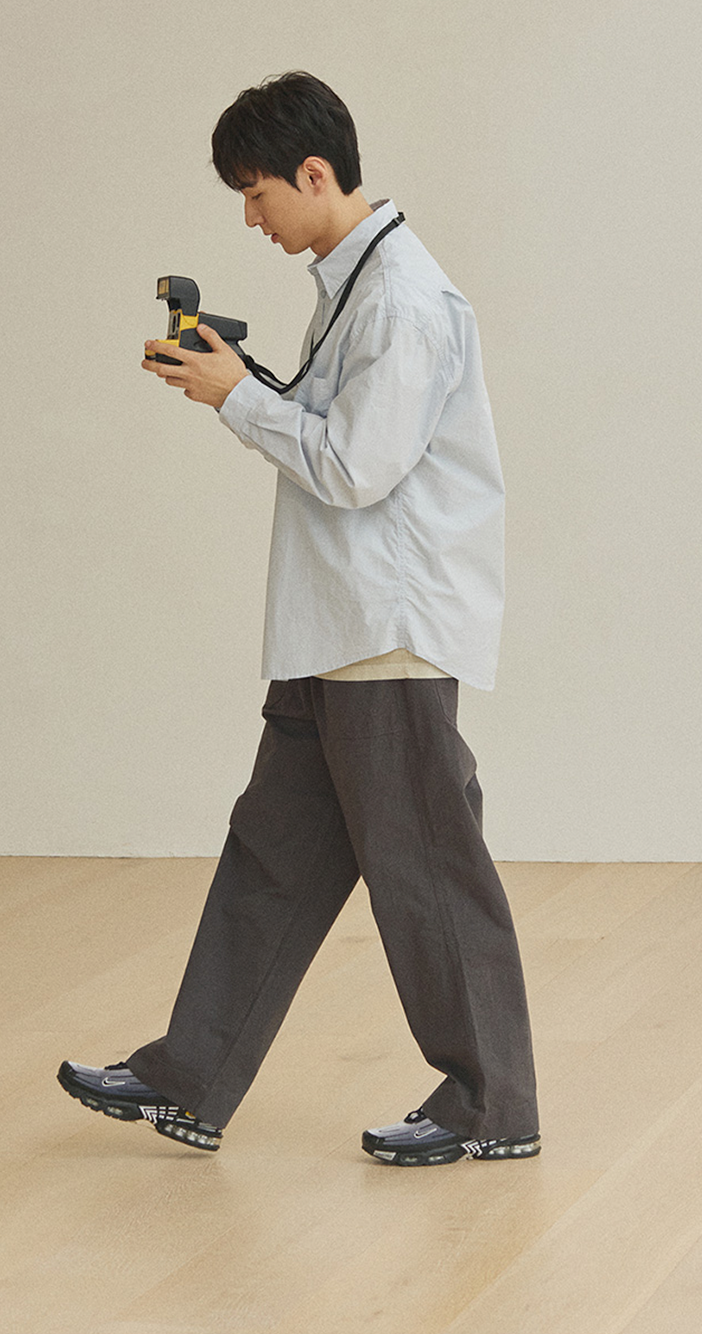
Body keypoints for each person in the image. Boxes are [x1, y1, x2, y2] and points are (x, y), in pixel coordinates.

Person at [58, 72, 540, 1167]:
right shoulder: (356, 287)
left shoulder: (403, 301)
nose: (250, 216)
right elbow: (338, 432)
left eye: (256, 190)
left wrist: (235, 397)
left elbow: (358, 469)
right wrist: (241, 382)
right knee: (271, 856)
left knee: (427, 869)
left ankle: (492, 1106)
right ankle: (189, 1071)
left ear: (313, 174)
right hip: (336, 629)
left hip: (385, 631)